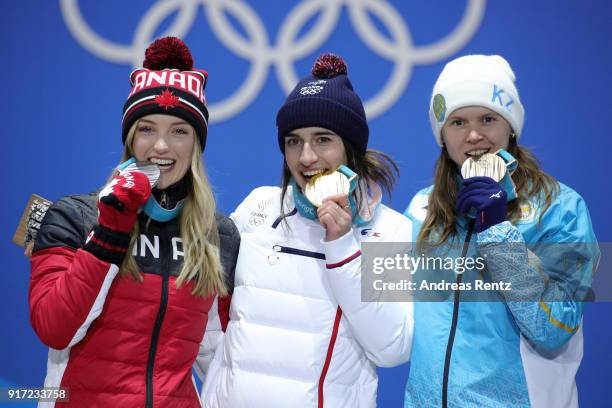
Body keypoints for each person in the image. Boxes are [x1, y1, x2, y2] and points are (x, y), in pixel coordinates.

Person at [28, 37, 239, 407]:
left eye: (179, 131)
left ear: (196, 145)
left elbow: (221, 356)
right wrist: (111, 227)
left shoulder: (219, 234)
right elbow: (54, 328)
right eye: (147, 129)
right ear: (129, 138)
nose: (161, 146)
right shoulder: (74, 216)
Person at [201, 53, 414, 407]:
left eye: (323, 139)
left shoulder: (389, 230)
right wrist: (222, 386)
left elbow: (392, 349)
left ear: (351, 148)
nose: (306, 157)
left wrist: (343, 246)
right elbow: (207, 309)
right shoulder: (260, 207)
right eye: (293, 141)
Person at [403, 55, 600, 408]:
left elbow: (554, 328)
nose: (474, 135)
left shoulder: (561, 208)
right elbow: (392, 322)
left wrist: (496, 229)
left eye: (488, 119)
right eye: (458, 122)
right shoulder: (421, 209)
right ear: (442, 136)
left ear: (510, 126)